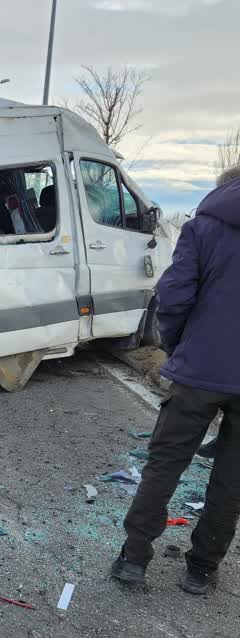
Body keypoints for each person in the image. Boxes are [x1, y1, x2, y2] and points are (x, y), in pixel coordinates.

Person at [111, 166, 240, 594]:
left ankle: (133, 560)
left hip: (199, 370)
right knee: (231, 481)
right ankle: (201, 570)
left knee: (164, 466)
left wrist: (180, 344)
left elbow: (175, 294)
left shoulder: (204, 226)